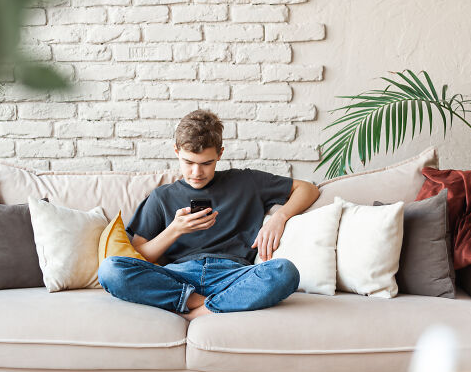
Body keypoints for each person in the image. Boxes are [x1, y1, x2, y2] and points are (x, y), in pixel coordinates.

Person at [97, 109, 320, 320]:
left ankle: (196, 308)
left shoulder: (247, 182)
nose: (196, 172)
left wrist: (279, 218)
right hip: (178, 276)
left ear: (220, 154)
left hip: (233, 276)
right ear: (177, 152)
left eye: (206, 163)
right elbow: (140, 257)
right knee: (110, 269)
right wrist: (176, 230)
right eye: (188, 162)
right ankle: (202, 304)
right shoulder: (161, 197)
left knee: (284, 272)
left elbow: (308, 189)